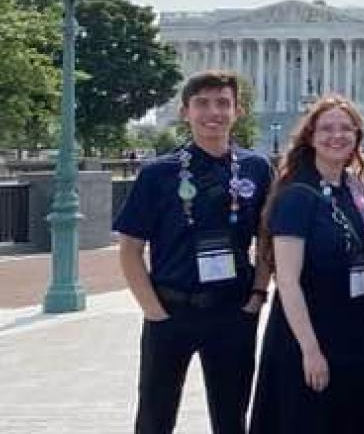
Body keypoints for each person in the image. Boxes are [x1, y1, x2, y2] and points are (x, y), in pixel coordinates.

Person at [116, 71, 274, 434]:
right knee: (155, 415)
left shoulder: (256, 168)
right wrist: (153, 312)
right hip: (172, 309)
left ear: (238, 111)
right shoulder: (159, 173)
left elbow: (267, 239)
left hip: (233, 311)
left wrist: (257, 295)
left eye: (223, 103)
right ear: (185, 111)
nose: (213, 112)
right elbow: (130, 248)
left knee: (231, 416)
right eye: (202, 103)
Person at [250, 96, 364, 433]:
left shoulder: (351, 188)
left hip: (350, 324)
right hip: (308, 330)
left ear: (357, 136)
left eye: (346, 128)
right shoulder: (297, 195)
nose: (337, 136)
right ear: (310, 136)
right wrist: (310, 349)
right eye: (327, 128)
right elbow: (288, 281)